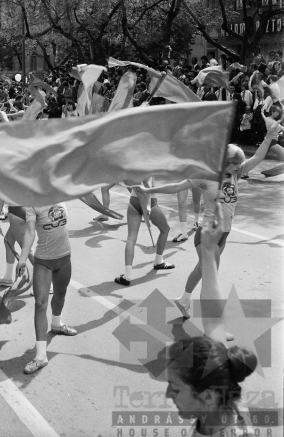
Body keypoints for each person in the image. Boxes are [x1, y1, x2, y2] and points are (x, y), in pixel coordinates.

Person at [132, 129, 279, 322]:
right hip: (207, 235)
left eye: (239, 163)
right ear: (224, 161)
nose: (239, 166)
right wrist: (147, 189)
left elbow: (259, 156)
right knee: (211, 279)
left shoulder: (236, 174)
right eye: (235, 163)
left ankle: (184, 300)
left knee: (202, 270)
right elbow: (176, 187)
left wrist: (268, 137)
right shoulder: (204, 176)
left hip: (223, 235)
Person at [166, 204, 256, 436]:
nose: (168, 395)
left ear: (205, 396)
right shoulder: (220, 392)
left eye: (175, 388)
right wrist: (207, 251)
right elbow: (214, 321)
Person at [16, 202, 77, 375]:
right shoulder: (33, 205)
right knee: (40, 303)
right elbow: (30, 232)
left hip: (64, 256)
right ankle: (41, 356)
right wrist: (23, 258)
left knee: (60, 294)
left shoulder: (62, 193)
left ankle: (57, 325)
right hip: (44, 261)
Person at [115, 177, 173, 286]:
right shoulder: (146, 162)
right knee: (165, 229)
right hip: (150, 203)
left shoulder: (133, 164)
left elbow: (128, 181)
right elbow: (147, 183)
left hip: (133, 202)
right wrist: (147, 206)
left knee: (131, 238)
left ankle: (127, 276)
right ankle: (159, 261)